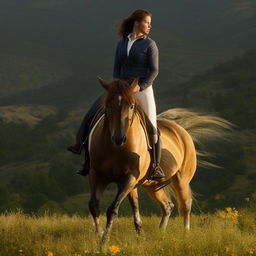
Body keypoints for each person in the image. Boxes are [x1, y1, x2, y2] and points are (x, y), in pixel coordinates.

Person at [67, 9, 165, 179]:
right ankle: (81, 148)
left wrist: (140, 87)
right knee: (94, 111)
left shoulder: (150, 45)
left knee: (152, 127)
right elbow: (116, 68)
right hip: (120, 87)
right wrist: (116, 86)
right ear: (136, 23)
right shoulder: (122, 43)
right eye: (147, 22)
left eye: (150, 23)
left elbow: (154, 71)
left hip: (141, 88)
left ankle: (156, 166)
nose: (150, 26)